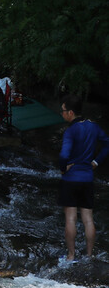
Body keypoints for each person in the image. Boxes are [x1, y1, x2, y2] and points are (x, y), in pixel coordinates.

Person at [59, 94, 109, 262]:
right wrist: (96, 161)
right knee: (88, 218)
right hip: (87, 177)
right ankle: (89, 255)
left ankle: (71, 255)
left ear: (71, 112)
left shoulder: (70, 131)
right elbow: (107, 144)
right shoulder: (93, 126)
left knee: (71, 218)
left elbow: (64, 155)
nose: (62, 114)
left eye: (63, 111)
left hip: (71, 179)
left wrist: (63, 169)